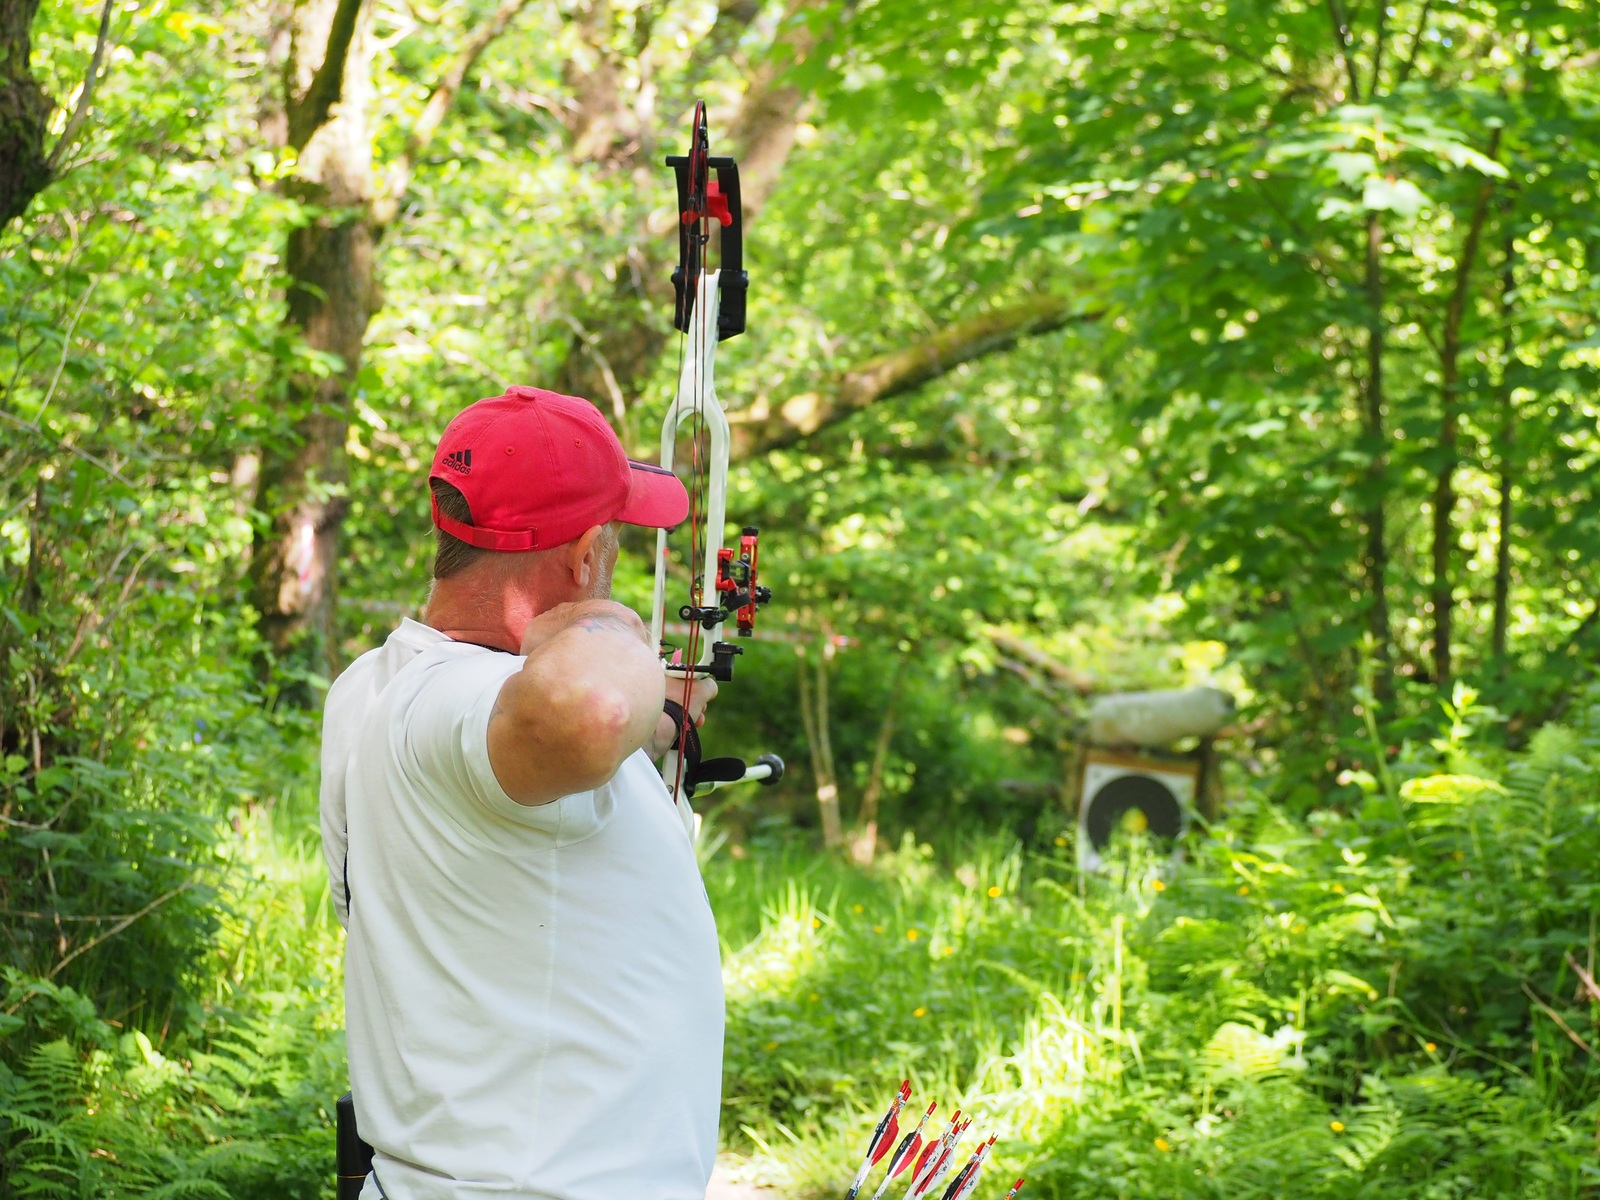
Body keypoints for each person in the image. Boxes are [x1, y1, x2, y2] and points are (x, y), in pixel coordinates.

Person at [320, 385, 722, 1200]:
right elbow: (591, 706)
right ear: (583, 558)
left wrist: (660, 721)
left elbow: (515, 767)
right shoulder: (463, 709)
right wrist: (602, 628)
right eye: (611, 544)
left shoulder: (370, 687)